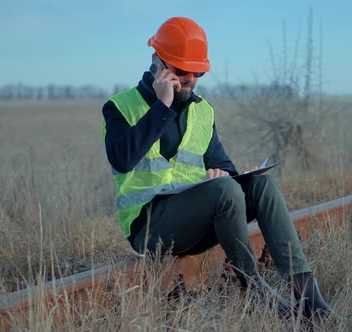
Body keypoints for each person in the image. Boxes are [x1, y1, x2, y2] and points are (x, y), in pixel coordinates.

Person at [102, 16, 330, 320]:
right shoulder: (120, 107)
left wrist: (226, 175)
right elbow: (122, 159)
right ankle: (254, 291)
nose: (190, 79)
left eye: (197, 72)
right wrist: (162, 107)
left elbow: (222, 165)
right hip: (149, 228)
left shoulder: (202, 111)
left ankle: (311, 299)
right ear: (158, 62)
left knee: (262, 185)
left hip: (197, 222)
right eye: (183, 70)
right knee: (224, 191)